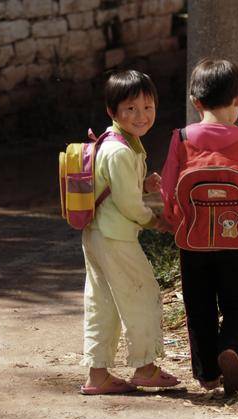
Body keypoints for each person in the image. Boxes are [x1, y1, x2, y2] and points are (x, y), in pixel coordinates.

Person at [160, 58, 238, 395]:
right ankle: (230, 349)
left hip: (192, 243)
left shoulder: (180, 138)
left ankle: (208, 374)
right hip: (232, 241)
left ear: (196, 102)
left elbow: (168, 189)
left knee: (199, 306)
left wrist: (173, 220)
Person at [79, 70, 180, 395]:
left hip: (97, 235)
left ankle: (98, 375)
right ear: (113, 112)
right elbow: (128, 206)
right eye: (131, 109)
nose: (142, 116)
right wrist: (157, 221)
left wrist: (143, 184)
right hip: (116, 237)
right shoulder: (121, 151)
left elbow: (116, 187)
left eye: (148, 107)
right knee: (142, 294)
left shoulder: (114, 142)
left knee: (102, 301)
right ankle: (146, 366)